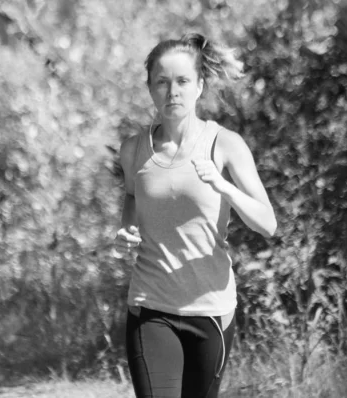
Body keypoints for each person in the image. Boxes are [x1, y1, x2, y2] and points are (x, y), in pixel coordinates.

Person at [115, 33, 277, 398]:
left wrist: (225, 188)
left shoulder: (225, 144)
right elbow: (130, 195)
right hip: (150, 307)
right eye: (162, 82)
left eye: (183, 81)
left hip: (211, 313)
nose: (173, 91)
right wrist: (126, 230)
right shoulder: (133, 150)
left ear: (199, 86)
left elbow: (268, 223)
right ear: (150, 88)